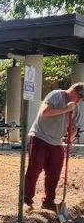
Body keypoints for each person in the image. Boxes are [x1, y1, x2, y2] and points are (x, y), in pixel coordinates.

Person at [24, 83, 84, 211]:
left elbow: (73, 128)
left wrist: (71, 134)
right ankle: (26, 199)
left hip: (56, 142)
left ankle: (48, 201)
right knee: (34, 169)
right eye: (79, 97)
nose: (79, 100)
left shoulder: (76, 108)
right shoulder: (56, 95)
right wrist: (66, 109)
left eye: (81, 98)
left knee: (54, 172)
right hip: (40, 136)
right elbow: (45, 112)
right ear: (73, 91)